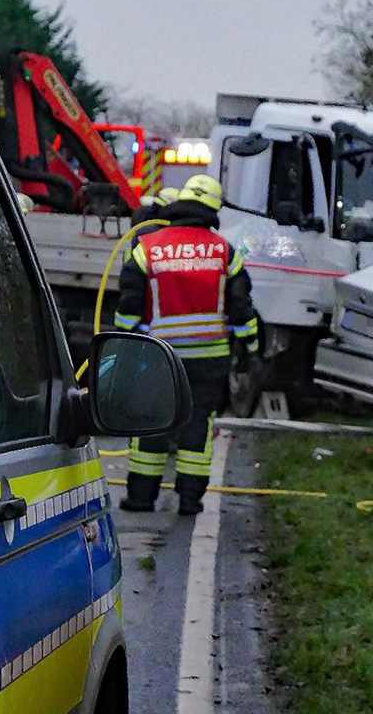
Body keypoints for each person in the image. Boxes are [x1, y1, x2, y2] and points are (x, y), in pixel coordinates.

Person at [114, 174, 260, 515]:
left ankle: (140, 497)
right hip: (209, 359)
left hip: (157, 357)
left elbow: (126, 310)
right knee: (198, 424)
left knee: (151, 422)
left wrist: (126, 346)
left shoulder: (146, 248)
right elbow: (242, 309)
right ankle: (190, 500)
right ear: (212, 210)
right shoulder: (224, 250)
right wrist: (250, 351)